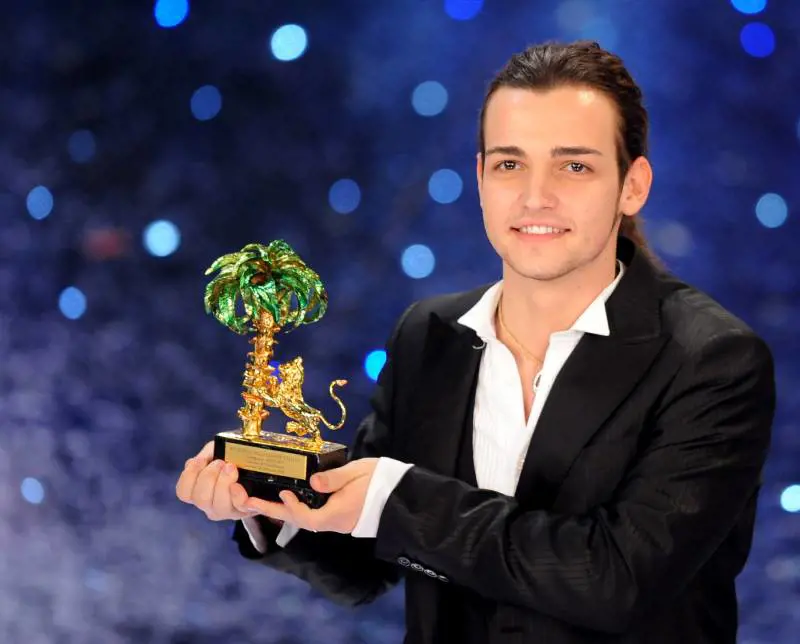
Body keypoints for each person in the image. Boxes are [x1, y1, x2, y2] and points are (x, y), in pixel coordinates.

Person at [176, 41, 776, 643]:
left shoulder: (712, 360)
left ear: (632, 186)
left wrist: (398, 499)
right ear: (481, 178)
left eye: (574, 167)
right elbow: (365, 563)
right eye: (510, 165)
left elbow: (618, 582)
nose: (535, 196)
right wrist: (268, 505)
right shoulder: (428, 336)